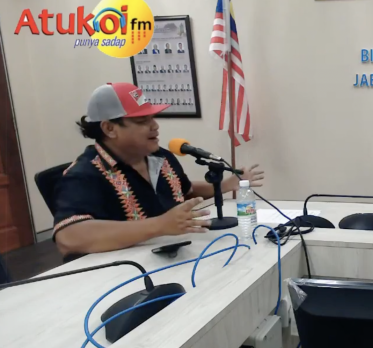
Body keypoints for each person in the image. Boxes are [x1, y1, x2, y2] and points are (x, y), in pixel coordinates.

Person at [52, 83, 265, 256]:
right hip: (123, 273)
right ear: (110, 128)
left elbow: (184, 190)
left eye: (153, 118)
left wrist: (226, 185)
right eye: (142, 121)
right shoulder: (83, 175)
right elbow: (69, 237)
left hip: (176, 255)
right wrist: (160, 225)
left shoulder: (160, 156)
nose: (155, 126)